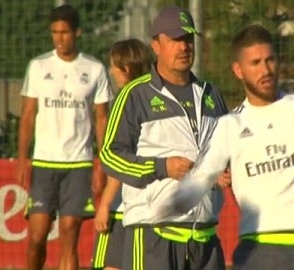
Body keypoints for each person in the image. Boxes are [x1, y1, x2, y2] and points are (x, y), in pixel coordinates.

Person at [159, 24, 294, 270]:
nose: (265, 70)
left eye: (269, 60)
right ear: (238, 70)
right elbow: (200, 179)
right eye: (255, 63)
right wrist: (171, 205)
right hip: (258, 249)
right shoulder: (230, 126)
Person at [99, 5, 230, 270]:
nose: (184, 47)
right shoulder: (135, 94)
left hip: (203, 236)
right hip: (152, 234)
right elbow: (110, 156)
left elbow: (227, 149)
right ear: (156, 46)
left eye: (188, 39)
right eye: (175, 40)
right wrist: (162, 167)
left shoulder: (210, 94)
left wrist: (223, 171)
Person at [17, 4, 113, 270]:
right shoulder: (38, 67)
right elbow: (27, 115)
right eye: (54, 32)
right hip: (45, 162)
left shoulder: (94, 69)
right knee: (37, 236)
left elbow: (102, 118)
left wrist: (102, 163)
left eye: (65, 32)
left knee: (70, 232)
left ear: (77, 32)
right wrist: (24, 158)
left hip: (79, 163)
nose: (59, 38)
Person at [92, 38, 153, 270]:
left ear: (126, 69)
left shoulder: (127, 101)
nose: (110, 71)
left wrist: (105, 204)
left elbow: (121, 161)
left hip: (123, 206)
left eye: (114, 67)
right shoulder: (154, 97)